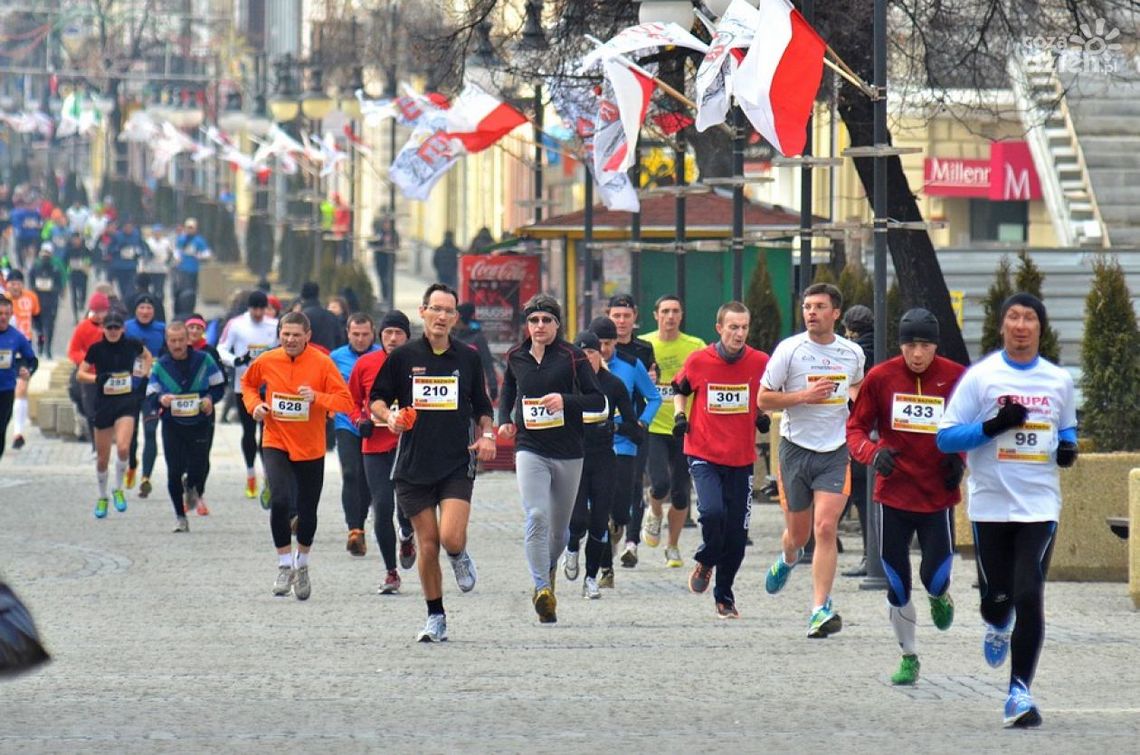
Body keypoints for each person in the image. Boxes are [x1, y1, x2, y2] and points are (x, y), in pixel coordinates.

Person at [937, 293, 1077, 728]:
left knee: (1029, 590)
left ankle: (1019, 692)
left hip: (1039, 505)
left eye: (1029, 318)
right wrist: (995, 425)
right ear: (1002, 327)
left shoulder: (1058, 380)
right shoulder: (982, 378)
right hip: (991, 504)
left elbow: (1066, 424)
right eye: (1013, 317)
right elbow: (946, 437)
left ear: (1040, 327)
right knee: (997, 599)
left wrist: (1069, 446)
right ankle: (997, 624)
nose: (1021, 325)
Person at [369, 284, 496, 641]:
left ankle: (458, 554)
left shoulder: (467, 357)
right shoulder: (403, 357)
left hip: (456, 460)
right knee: (427, 543)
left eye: (448, 311)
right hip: (413, 464)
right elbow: (377, 399)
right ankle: (435, 616)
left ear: (456, 318)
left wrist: (487, 434)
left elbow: (483, 407)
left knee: (450, 537)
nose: (441, 317)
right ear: (423, 311)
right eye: (435, 309)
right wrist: (390, 418)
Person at [847, 308, 966, 684]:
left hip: (936, 495)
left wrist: (958, 460)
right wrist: (872, 453)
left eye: (925, 346)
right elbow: (855, 429)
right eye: (910, 345)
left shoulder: (955, 377)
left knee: (934, 576)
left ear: (935, 346)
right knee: (897, 585)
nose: (917, 354)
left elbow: (970, 426)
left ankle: (940, 595)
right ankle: (909, 655)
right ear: (901, 345)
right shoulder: (881, 378)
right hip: (894, 493)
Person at [758, 282, 865, 638]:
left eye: (819, 306)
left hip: (834, 451)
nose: (811, 312)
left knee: (825, 528)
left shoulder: (852, 353)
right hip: (795, 449)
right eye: (807, 306)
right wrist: (805, 395)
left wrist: (855, 404)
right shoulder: (789, 350)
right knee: (799, 535)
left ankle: (820, 608)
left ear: (835, 313)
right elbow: (763, 399)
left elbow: (856, 388)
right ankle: (787, 558)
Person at [499, 293, 605, 624]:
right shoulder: (516, 356)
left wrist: (565, 401)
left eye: (546, 320)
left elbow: (597, 400)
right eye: (534, 321)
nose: (540, 326)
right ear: (527, 325)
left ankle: (547, 569)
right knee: (536, 515)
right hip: (530, 447)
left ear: (557, 324)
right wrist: (505, 419)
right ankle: (543, 589)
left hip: (568, 451)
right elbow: (508, 391)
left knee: (559, 532)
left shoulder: (573, 357)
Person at [242, 311, 354, 601]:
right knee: (279, 500)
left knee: (307, 511)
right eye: (285, 334)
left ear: (308, 336)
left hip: (310, 446)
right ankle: (283, 564)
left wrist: (317, 397)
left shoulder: (322, 363)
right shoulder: (267, 360)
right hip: (275, 438)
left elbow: (345, 401)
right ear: (279, 334)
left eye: (295, 335)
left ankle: (301, 564)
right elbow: (248, 385)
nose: (290, 340)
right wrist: (255, 406)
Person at [670, 301, 769, 618]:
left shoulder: (759, 361)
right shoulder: (699, 360)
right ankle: (706, 557)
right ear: (719, 329)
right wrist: (680, 416)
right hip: (703, 452)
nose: (739, 334)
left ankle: (724, 596)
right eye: (733, 327)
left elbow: (762, 395)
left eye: (744, 327)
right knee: (713, 513)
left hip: (741, 458)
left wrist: (761, 415)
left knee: (737, 537)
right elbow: (679, 388)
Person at [574, 316, 658, 588]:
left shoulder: (631, 366)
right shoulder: (577, 369)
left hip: (623, 442)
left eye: (609, 344)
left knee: (620, 511)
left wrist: (642, 422)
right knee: (594, 509)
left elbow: (653, 397)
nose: (604, 349)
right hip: (590, 446)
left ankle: (617, 525)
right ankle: (603, 566)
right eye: (599, 344)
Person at [562, 329, 641, 598]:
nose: (587, 358)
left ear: (600, 355)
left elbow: (632, 423)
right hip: (575, 456)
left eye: (592, 353)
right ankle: (572, 546)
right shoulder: (567, 384)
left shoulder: (613, 384)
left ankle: (591, 578)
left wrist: (616, 428)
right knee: (579, 520)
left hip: (605, 457)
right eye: (581, 354)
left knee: (599, 522)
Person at [350, 310, 417, 594]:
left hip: (409, 446)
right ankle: (391, 572)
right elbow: (350, 400)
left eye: (398, 333)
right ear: (381, 336)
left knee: (406, 507)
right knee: (382, 508)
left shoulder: (419, 363)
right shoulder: (366, 364)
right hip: (375, 446)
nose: (392, 338)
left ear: (407, 337)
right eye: (387, 333)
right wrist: (359, 420)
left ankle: (407, 533)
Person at [642, 295, 705, 568]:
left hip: (684, 427)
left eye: (675, 311)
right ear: (656, 315)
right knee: (659, 484)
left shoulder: (695, 346)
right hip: (654, 426)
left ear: (681, 316)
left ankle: (673, 545)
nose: (670, 316)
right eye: (665, 311)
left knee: (681, 494)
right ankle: (654, 512)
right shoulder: (644, 345)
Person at [147, 321, 225, 532]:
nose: (177, 344)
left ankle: (192, 487)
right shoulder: (161, 365)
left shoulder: (204, 360)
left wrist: (210, 398)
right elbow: (150, 395)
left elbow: (219, 385)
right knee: (173, 471)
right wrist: (162, 399)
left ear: (187, 339)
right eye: (173, 341)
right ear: (167, 341)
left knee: (199, 467)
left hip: (200, 422)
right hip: (173, 424)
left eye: (181, 340)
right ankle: (180, 517)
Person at [76, 308, 153, 518]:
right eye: (109, 327)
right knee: (102, 459)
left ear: (122, 328)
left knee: (123, 447)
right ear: (103, 328)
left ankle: (118, 489)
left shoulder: (132, 344)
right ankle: (102, 497)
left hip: (126, 401)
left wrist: (144, 378)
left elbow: (148, 356)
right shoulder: (96, 349)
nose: (112, 331)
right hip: (104, 403)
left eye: (116, 327)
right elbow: (80, 374)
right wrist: (96, 379)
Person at [605, 294, 658, 568]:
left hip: (635, 428)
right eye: (616, 316)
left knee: (636, 482)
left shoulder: (643, 349)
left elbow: (652, 386)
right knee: (608, 485)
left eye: (626, 316)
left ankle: (632, 542)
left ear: (635, 317)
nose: (622, 322)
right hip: (605, 429)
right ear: (608, 317)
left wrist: (643, 421)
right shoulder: (598, 349)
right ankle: (611, 529)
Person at [218, 291, 279, 502]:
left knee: (267, 434)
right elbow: (221, 349)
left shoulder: (274, 325)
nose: (258, 313)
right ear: (249, 308)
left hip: (269, 387)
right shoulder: (236, 324)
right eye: (255, 309)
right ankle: (251, 473)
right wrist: (236, 360)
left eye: (262, 309)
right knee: (248, 431)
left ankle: (268, 476)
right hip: (243, 386)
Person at [329, 313, 380, 557]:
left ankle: (360, 523)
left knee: (367, 478)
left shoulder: (382, 356)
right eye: (355, 334)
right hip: (345, 422)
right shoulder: (336, 357)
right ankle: (354, 530)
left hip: (375, 424)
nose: (360, 339)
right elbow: (325, 386)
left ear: (373, 333)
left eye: (365, 335)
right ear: (348, 333)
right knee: (350, 473)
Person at [840, 303, 875, 577]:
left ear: (849, 329)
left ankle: (870, 557)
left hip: (856, 434)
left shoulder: (850, 354)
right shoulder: (886, 351)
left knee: (855, 493)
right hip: (880, 434)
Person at [125, 294, 166, 496]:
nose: (145, 312)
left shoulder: (162, 330)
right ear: (135, 310)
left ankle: (146, 478)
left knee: (150, 431)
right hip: (131, 388)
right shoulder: (126, 328)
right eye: (141, 307)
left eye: (149, 308)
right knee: (130, 434)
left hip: (153, 389)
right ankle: (132, 464)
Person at [185, 313, 222, 513]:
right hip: (179, 411)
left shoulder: (209, 352)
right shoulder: (177, 351)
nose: (194, 331)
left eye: (198, 328)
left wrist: (210, 398)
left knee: (202, 454)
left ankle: (198, 493)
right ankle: (187, 487)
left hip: (204, 410)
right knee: (183, 454)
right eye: (190, 327)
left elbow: (219, 382)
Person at [0, 271, 39, 452]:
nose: (4, 317)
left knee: (21, 389)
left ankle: (18, 433)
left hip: (8, 383)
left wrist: (28, 369)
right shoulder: (4, 297)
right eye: (1, 313)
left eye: (7, 314)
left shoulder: (16, 336)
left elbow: (32, 360)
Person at [452, 302, 499, 402]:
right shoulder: (450, 337)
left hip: (472, 386)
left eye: (457, 318)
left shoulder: (477, 338)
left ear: (462, 319)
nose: (454, 320)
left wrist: (493, 385)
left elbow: (487, 362)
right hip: (452, 387)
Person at [104, 218, 150, 302]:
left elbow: (143, 248)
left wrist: (138, 253)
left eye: (130, 227)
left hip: (131, 266)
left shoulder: (137, 235)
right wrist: (119, 250)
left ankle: (127, 303)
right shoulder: (117, 236)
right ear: (123, 227)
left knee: (131, 289)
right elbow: (109, 249)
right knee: (122, 288)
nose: (128, 229)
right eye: (126, 227)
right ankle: (124, 303)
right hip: (120, 267)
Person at [29, 245, 62, 358]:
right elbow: (31, 283)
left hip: (51, 302)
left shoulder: (55, 269)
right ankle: (41, 346)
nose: (45, 257)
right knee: (39, 328)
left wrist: (53, 289)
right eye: (44, 254)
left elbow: (59, 286)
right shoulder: (35, 268)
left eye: (48, 254)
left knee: (50, 326)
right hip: (38, 302)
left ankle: (48, 348)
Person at [173, 217, 210, 311]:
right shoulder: (181, 239)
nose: (189, 230)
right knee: (181, 290)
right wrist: (177, 258)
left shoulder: (199, 240)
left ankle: (190, 309)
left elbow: (207, 254)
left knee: (191, 291)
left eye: (191, 227)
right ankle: (180, 308)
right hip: (181, 269)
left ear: (195, 228)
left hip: (193, 270)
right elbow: (176, 250)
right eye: (188, 227)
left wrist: (198, 255)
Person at [297, 281, 344, 352]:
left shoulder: (302, 317)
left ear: (302, 296)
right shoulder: (331, 316)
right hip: (329, 357)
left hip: (308, 357)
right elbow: (339, 339)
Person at [65, 232, 93, 323]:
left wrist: (86, 264)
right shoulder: (69, 250)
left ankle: (82, 303)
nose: (76, 241)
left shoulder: (85, 249)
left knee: (83, 292)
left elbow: (91, 259)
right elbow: (64, 261)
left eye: (78, 239)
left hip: (83, 274)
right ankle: (75, 316)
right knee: (73, 295)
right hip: (73, 274)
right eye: (74, 239)